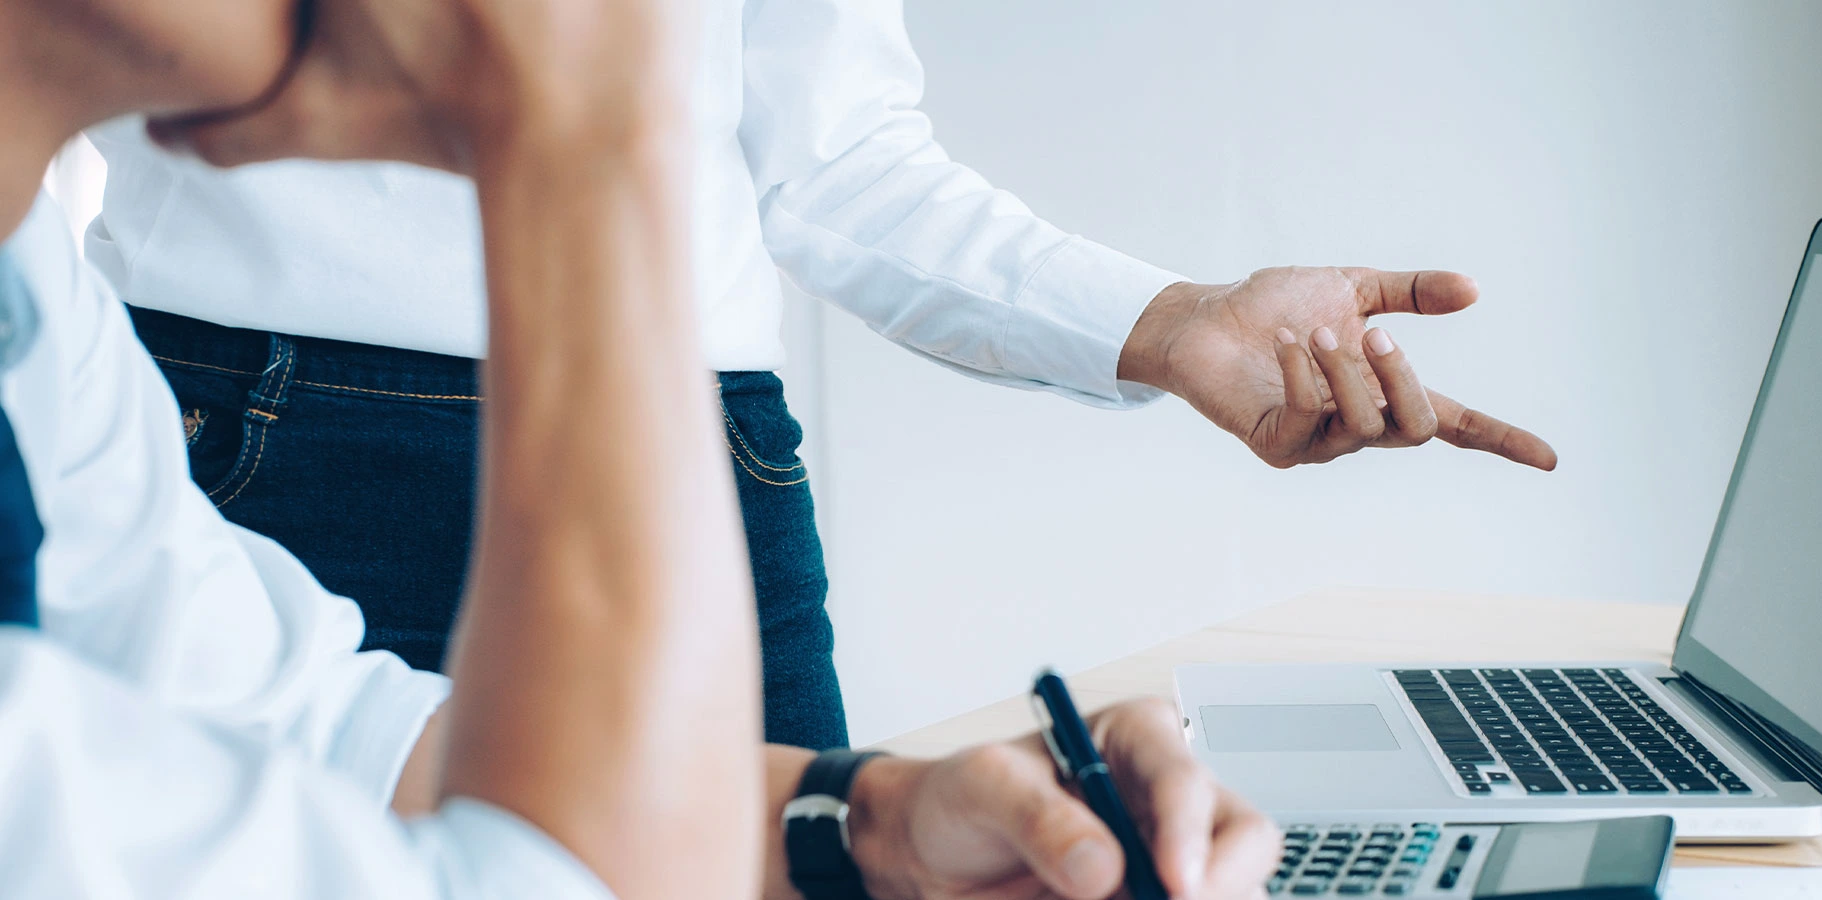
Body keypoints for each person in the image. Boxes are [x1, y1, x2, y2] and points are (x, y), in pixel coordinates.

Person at [0, 0, 1278, 896]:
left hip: (678, 421)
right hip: (261, 398)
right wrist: (571, 140)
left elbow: (319, 728)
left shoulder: (40, 323)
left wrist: (873, 819)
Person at [93, 0, 1558, 752]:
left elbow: (835, 155)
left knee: (802, 855)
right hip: (258, 432)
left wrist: (1165, 322)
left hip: (687, 450)